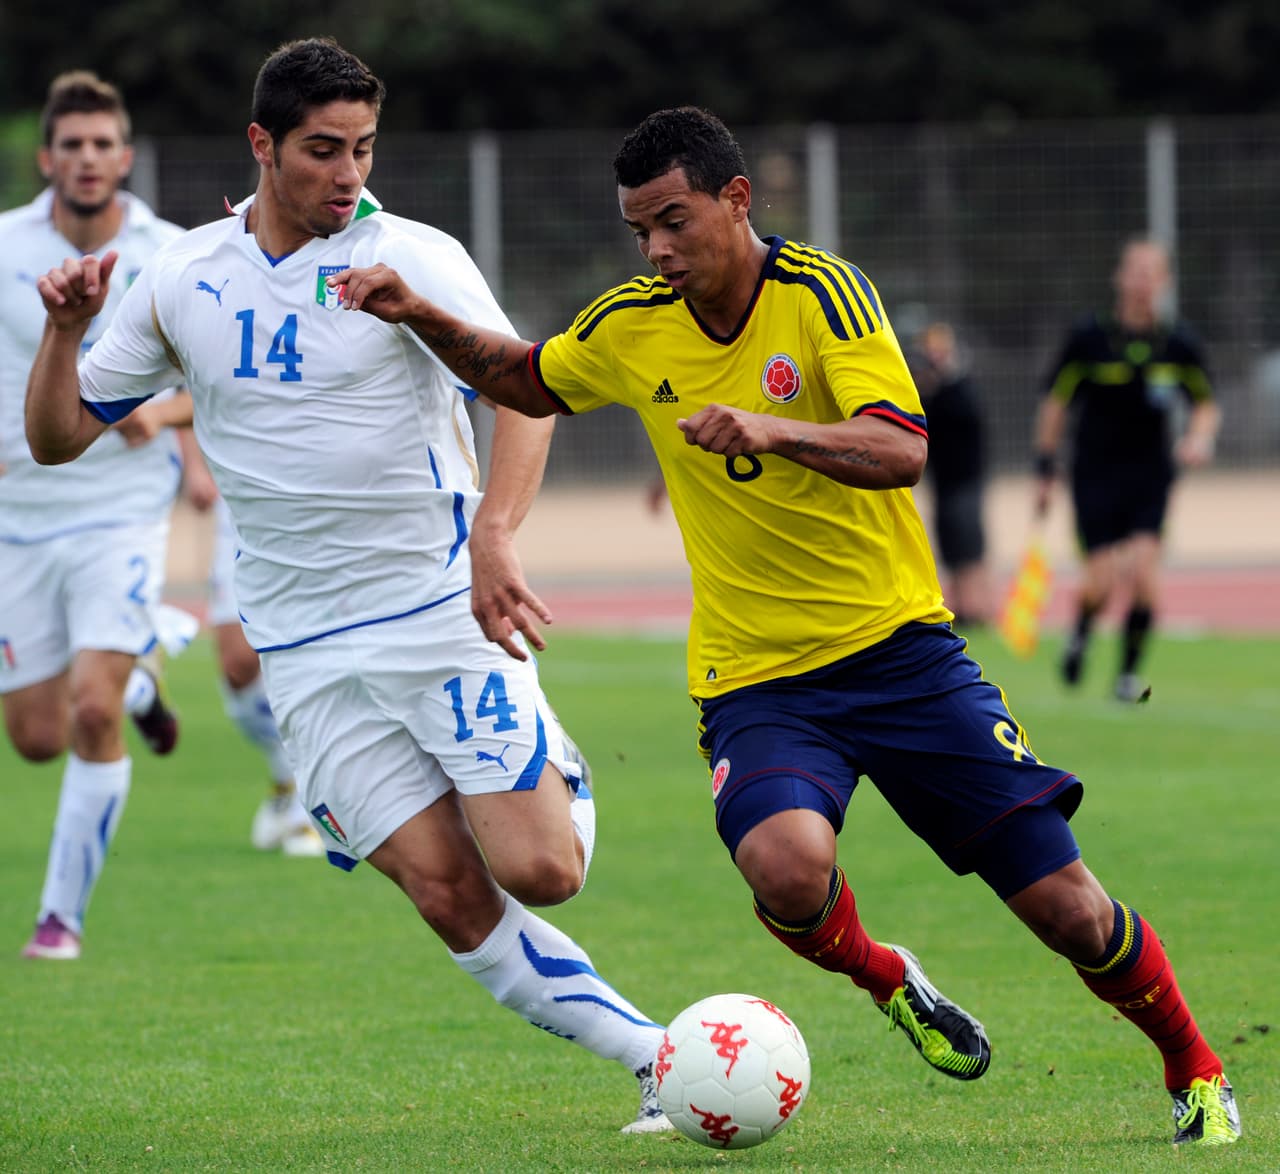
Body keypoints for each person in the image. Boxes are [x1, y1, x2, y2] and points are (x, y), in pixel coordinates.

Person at [326, 107, 1242, 1148]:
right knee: (784, 868)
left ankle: (1195, 1068)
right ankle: (886, 976)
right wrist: (415, 314)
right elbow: (519, 376)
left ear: (735, 200)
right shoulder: (632, 319)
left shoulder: (820, 294)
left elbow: (897, 447)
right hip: (756, 681)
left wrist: (771, 429)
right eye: (638, 232)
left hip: (903, 656)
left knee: (1067, 910)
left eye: (672, 222)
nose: (656, 250)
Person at [25, 38, 669, 1133]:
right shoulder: (183, 277)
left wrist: (496, 538)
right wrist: (64, 330)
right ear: (261, 147)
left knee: (541, 869)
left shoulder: (415, 256)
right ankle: (657, 1056)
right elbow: (54, 438)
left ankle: (552, 770)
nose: (348, 175)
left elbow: (523, 391)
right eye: (322, 151)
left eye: (363, 149)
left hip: (435, 607)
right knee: (446, 892)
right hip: (306, 654)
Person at [0, 71, 187, 962]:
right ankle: (144, 678)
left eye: (101, 143)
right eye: (70, 144)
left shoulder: (175, 252)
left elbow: (225, 383)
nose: (86, 158)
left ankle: (59, 919)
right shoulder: (4, 246)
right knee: (36, 738)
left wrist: (161, 413)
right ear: (48, 158)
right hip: (16, 518)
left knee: (87, 714)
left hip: (121, 508)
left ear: (124, 155)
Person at [1034, 239, 1220, 701]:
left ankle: (1126, 676)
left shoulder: (1178, 343)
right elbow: (1056, 404)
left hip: (1149, 476)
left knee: (1142, 576)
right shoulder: (1090, 338)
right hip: (1094, 474)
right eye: (1133, 270)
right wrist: (1044, 468)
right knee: (1098, 584)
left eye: (1150, 272)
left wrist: (1198, 437)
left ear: (1164, 282)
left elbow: (1205, 403)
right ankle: (1080, 632)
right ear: (1119, 278)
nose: (1141, 281)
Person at [183, 442, 323, 856]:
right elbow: (186, 389)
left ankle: (311, 802)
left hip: (320, 497)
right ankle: (286, 776)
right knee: (238, 666)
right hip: (242, 499)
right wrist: (193, 466)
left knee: (313, 650)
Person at [910, 322, 992, 627]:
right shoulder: (933, 395)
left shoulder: (960, 389)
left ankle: (978, 606)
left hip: (965, 483)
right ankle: (962, 604)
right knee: (951, 547)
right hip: (944, 485)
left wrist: (937, 384)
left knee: (969, 547)